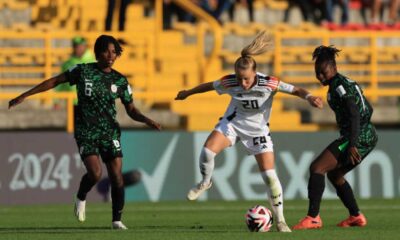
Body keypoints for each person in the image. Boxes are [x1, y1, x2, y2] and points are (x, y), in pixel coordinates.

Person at [175, 30, 323, 233]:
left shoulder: (269, 83)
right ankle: (205, 182)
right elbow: (208, 86)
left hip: (258, 131)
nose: (242, 83)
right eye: (239, 78)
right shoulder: (230, 82)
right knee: (207, 151)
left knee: (270, 177)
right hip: (233, 124)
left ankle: (280, 221)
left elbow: (296, 90)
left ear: (255, 73)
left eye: (245, 79)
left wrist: (310, 97)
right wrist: (187, 93)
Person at [9, 35, 162, 230]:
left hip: (109, 132)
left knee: (116, 176)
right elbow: (56, 81)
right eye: (107, 51)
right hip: (86, 130)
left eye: (114, 52)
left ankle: (117, 220)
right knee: (96, 173)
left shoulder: (120, 80)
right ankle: (81, 195)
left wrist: (147, 120)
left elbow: (131, 110)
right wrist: (25, 95)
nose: (110, 55)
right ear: (98, 52)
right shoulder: (83, 71)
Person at [293, 45, 378, 230]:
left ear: (334, 68)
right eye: (317, 73)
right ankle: (356, 216)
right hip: (365, 133)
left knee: (317, 167)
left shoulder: (339, 86)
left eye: (323, 72)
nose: (320, 76)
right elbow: (367, 107)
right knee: (335, 174)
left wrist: (353, 143)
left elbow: (355, 113)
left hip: (358, 135)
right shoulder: (343, 83)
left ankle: (313, 217)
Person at [55, 36, 95, 107]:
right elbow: (60, 82)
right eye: (76, 46)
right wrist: (56, 100)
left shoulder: (93, 62)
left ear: (85, 46)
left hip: (91, 103)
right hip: (73, 103)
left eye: (80, 46)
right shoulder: (67, 64)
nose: (78, 49)